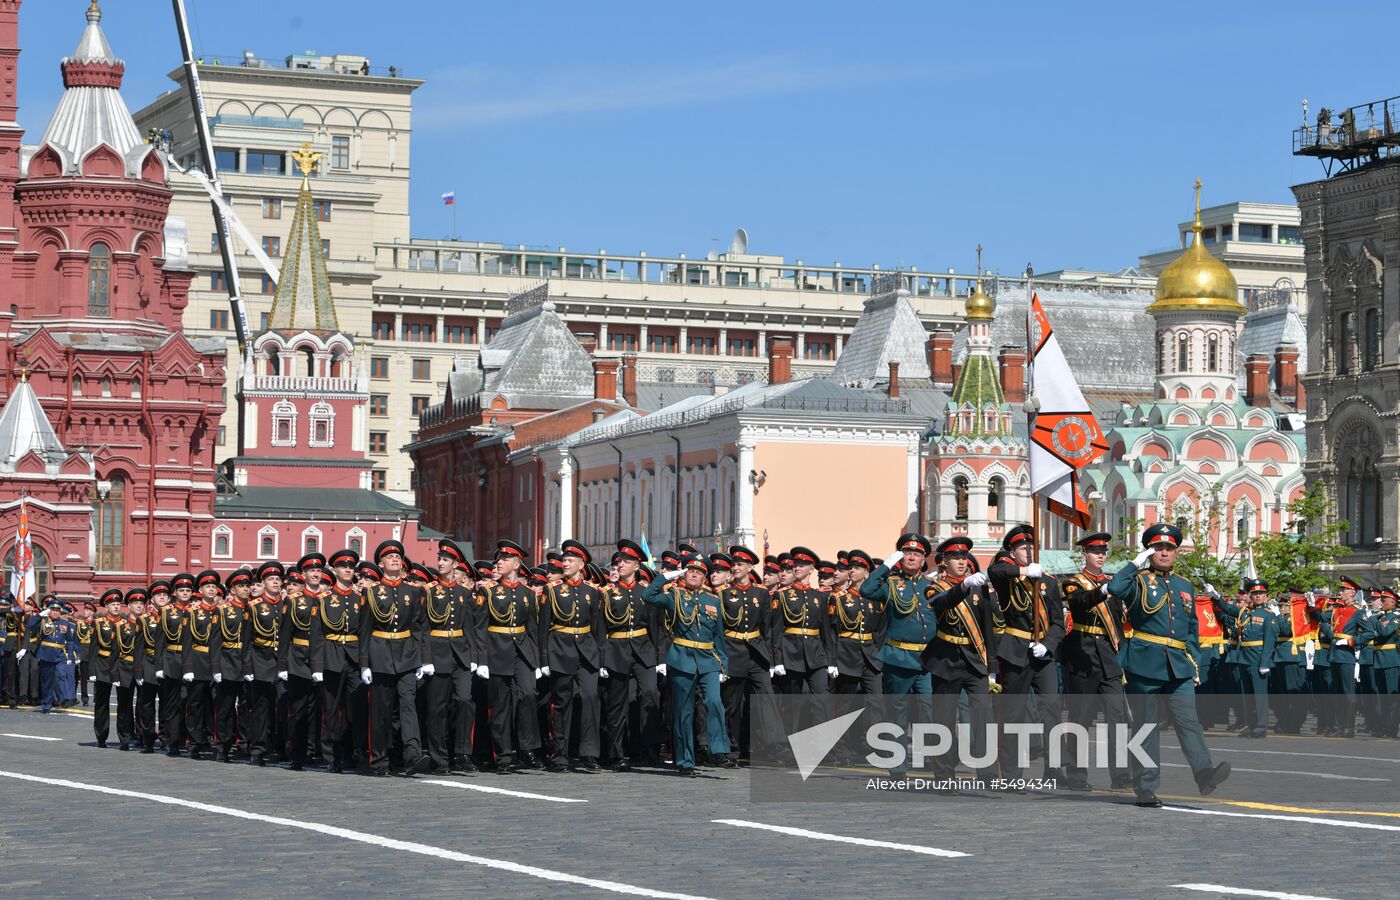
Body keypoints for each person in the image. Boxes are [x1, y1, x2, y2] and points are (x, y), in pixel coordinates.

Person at [1111, 523, 1230, 808]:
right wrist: (1132, 565)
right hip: (1144, 663)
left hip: (1179, 665)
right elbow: (1115, 588)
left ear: (1176, 552)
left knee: (1190, 722)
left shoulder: (1184, 585)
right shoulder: (1138, 580)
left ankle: (1204, 774)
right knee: (1146, 727)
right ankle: (1145, 786)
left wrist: (1195, 662)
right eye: (1157, 548)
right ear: (1149, 552)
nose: (1164, 553)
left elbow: (1191, 628)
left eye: (1168, 548)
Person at [987, 525, 1066, 782]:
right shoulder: (1008, 577)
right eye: (1023, 548)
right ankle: (1010, 774)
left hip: (1042, 653)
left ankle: (1053, 768)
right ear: (1012, 551)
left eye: (1032, 547)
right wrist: (1022, 571)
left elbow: (1057, 622)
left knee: (1052, 708)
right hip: (1016, 651)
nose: (1029, 552)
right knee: (1014, 714)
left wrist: (1049, 644)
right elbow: (994, 570)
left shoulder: (1049, 581)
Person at [643, 554, 731, 776]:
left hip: (709, 659)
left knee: (714, 701)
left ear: (705, 577)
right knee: (684, 712)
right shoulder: (674, 596)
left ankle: (719, 750)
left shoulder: (713, 600)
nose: (694, 574)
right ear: (684, 573)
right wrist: (668, 576)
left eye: (699, 572)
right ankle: (685, 761)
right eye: (690, 570)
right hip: (682, 658)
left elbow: (719, 636)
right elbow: (648, 595)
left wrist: (724, 666)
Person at [1057, 532, 1130, 791]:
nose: (1100, 555)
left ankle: (1120, 773)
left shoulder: (1112, 583)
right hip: (1083, 653)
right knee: (1081, 717)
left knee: (1117, 716)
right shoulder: (1072, 583)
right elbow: (1079, 604)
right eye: (1095, 552)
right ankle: (1077, 775)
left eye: (1103, 552)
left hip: (1109, 656)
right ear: (1084, 554)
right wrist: (1105, 590)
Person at [924, 536, 999, 783]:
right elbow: (941, 604)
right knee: (944, 720)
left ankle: (988, 773)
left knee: (983, 717)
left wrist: (992, 667)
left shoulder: (979, 587)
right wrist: (964, 585)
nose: (961, 561)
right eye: (955, 557)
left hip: (975, 659)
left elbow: (987, 628)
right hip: (946, 660)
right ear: (944, 561)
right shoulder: (935, 587)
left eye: (964, 557)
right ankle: (944, 775)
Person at [359, 540, 432, 776]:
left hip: (407, 653)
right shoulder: (370, 593)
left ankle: (413, 754)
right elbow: (364, 630)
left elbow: (420, 627)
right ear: (381, 563)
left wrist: (424, 658)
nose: (395, 559)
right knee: (381, 710)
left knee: (408, 705)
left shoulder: (413, 592)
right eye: (389, 557)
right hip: (380, 653)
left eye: (398, 556)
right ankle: (379, 759)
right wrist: (364, 663)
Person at [419, 539, 483, 775]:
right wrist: (425, 658)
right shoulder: (429, 591)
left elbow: (470, 626)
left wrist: (475, 656)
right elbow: (423, 627)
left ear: (456, 564)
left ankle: (462, 752)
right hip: (437, 653)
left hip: (461, 654)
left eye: (446, 559)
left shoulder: (464, 593)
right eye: (439, 559)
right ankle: (440, 758)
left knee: (465, 701)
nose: (441, 562)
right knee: (437, 708)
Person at [542, 539, 605, 773]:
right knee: (562, 703)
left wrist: (600, 657)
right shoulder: (553, 590)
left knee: (590, 699)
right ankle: (560, 755)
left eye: (570, 560)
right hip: (560, 649)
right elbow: (544, 626)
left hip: (587, 651)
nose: (565, 563)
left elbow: (598, 628)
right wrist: (543, 659)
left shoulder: (593, 592)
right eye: (564, 560)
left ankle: (589, 754)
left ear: (582, 564)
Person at [600, 539, 663, 771]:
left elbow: (656, 627)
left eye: (627, 561)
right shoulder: (607, 593)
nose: (622, 564)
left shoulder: (646, 593)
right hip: (616, 650)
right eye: (620, 561)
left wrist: (660, 659)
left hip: (643, 649)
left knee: (649, 694)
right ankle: (617, 753)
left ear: (637, 566)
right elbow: (600, 628)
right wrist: (601, 659)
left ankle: (649, 748)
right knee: (618, 704)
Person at [480, 539, 543, 773]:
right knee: (500, 706)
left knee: (528, 695)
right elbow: (480, 627)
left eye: (505, 559)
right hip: (497, 650)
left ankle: (527, 748)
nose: (499, 562)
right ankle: (503, 755)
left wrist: (537, 660)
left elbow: (533, 627)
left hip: (522, 650)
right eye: (499, 559)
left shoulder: (528, 593)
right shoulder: (487, 591)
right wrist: (482, 659)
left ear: (517, 564)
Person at [716, 545, 773, 765]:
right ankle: (732, 747)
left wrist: (771, 658)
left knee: (765, 698)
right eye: (734, 564)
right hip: (733, 650)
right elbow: (719, 630)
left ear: (749, 567)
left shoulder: (761, 593)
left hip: (757, 653)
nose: (735, 567)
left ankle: (772, 745)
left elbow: (767, 626)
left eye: (740, 564)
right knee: (732, 703)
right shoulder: (722, 593)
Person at [316, 549, 366, 773]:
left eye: (351, 567)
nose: (348, 569)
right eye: (343, 566)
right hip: (331, 657)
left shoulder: (360, 599)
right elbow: (316, 635)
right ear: (334, 570)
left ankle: (354, 753)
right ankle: (331, 757)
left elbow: (365, 632)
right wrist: (317, 666)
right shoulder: (324, 599)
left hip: (354, 658)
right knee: (331, 709)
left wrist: (365, 663)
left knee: (356, 707)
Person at [1208, 579, 1277, 739]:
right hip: (1244, 657)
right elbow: (1227, 608)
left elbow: (1269, 641)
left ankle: (1260, 726)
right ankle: (1251, 725)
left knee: (1259, 695)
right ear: (1250, 596)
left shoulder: (1268, 615)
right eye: (1254, 594)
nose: (1258, 596)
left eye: (1260, 593)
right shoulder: (1244, 612)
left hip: (1258, 659)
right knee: (1247, 695)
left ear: (1265, 596)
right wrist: (1215, 596)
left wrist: (1265, 663)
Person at [772, 546, 834, 694]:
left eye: (801, 565)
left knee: (822, 696)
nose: (797, 568)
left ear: (811, 569)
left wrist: (831, 660)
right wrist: (776, 659)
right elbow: (775, 630)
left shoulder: (819, 596)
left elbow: (825, 631)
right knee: (794, 704)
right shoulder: (782, 595)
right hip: (791, 653)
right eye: (795, 565)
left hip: (816, 654)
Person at [246, 562, 286, 766]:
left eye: (278, 579)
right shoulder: (253, 607)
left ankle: (281, 747)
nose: (276, 582)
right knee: (261, 708)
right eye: (271, 579)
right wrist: (247, 667)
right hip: (261, 659)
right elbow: (246, 639)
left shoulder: (287, 604)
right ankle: (258, 749)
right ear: (263, 582)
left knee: (283, 706)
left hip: (283, 661)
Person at [182, 571, 223, 760]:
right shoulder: (192, 612)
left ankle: (213, 739)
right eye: (208, 586)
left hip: (218, 663)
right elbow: (187, 641)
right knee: (196, 704)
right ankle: (194, 740)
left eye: (214, 586)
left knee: (215, 704)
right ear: (200, 590)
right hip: (198, 661)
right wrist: (188, 667)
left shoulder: (222, 611)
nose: (212, 589)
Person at [214, 570, 252, 762]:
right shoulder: (223, 611)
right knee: (226, 707)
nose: (245, 589)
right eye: (241, 586)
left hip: (248, 663)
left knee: (246, 707)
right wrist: (216, 668)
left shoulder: (254, 608)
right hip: (228, 660)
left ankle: (244, 743)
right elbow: (215, 641)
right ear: (233, 589)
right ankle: (223, 745)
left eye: (247, 586)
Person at [88, 589, 130, 748]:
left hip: (121, 665)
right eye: (113, 604)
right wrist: (91, 670)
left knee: (124, 703)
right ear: (106, 607)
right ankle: (101, 736)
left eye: (118, 604)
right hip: (103, 665)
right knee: (102, 703)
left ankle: (124, 739)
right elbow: (93, 648)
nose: (116, 607)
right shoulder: (98, 623)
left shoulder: (126, 624)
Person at [1325, 577, 1365, 737]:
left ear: (1352, 592)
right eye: (1340, 589)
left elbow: (1369, 632)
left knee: (1348, 692)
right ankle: (1340, 726)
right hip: (1334, 654)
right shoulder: (1338, 609)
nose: (1340, 592)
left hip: (1346, 655)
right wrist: (1313, 606)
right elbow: (1322, 619)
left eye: (1344, 590)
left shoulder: (1357, 611)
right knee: (1337, 693)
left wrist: (1351, 641)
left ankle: (1349, 728)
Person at [29, 599, 78, 713]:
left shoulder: (65, 623)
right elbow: (30, 626)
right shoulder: (43, 621)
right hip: (46, 655)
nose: (55, 612)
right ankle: (46, 704)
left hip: (60, 655)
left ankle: (65, 699)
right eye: (53, 610)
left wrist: (70, 657)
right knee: (47, 681)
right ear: (48, 610)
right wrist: (40, 615)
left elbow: (70, 641)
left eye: (57, 610)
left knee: (61, 675)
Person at [129, 588, 159, 752]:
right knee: (145, 703)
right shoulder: (144, 620)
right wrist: (139, 671)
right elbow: (139, 647)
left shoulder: (174, 616)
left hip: (168, 664)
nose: (162, 598)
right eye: (157, 595)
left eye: (165, 595)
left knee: (168, 704)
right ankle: (146, 736)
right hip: (148, 663)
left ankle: (166, 737)